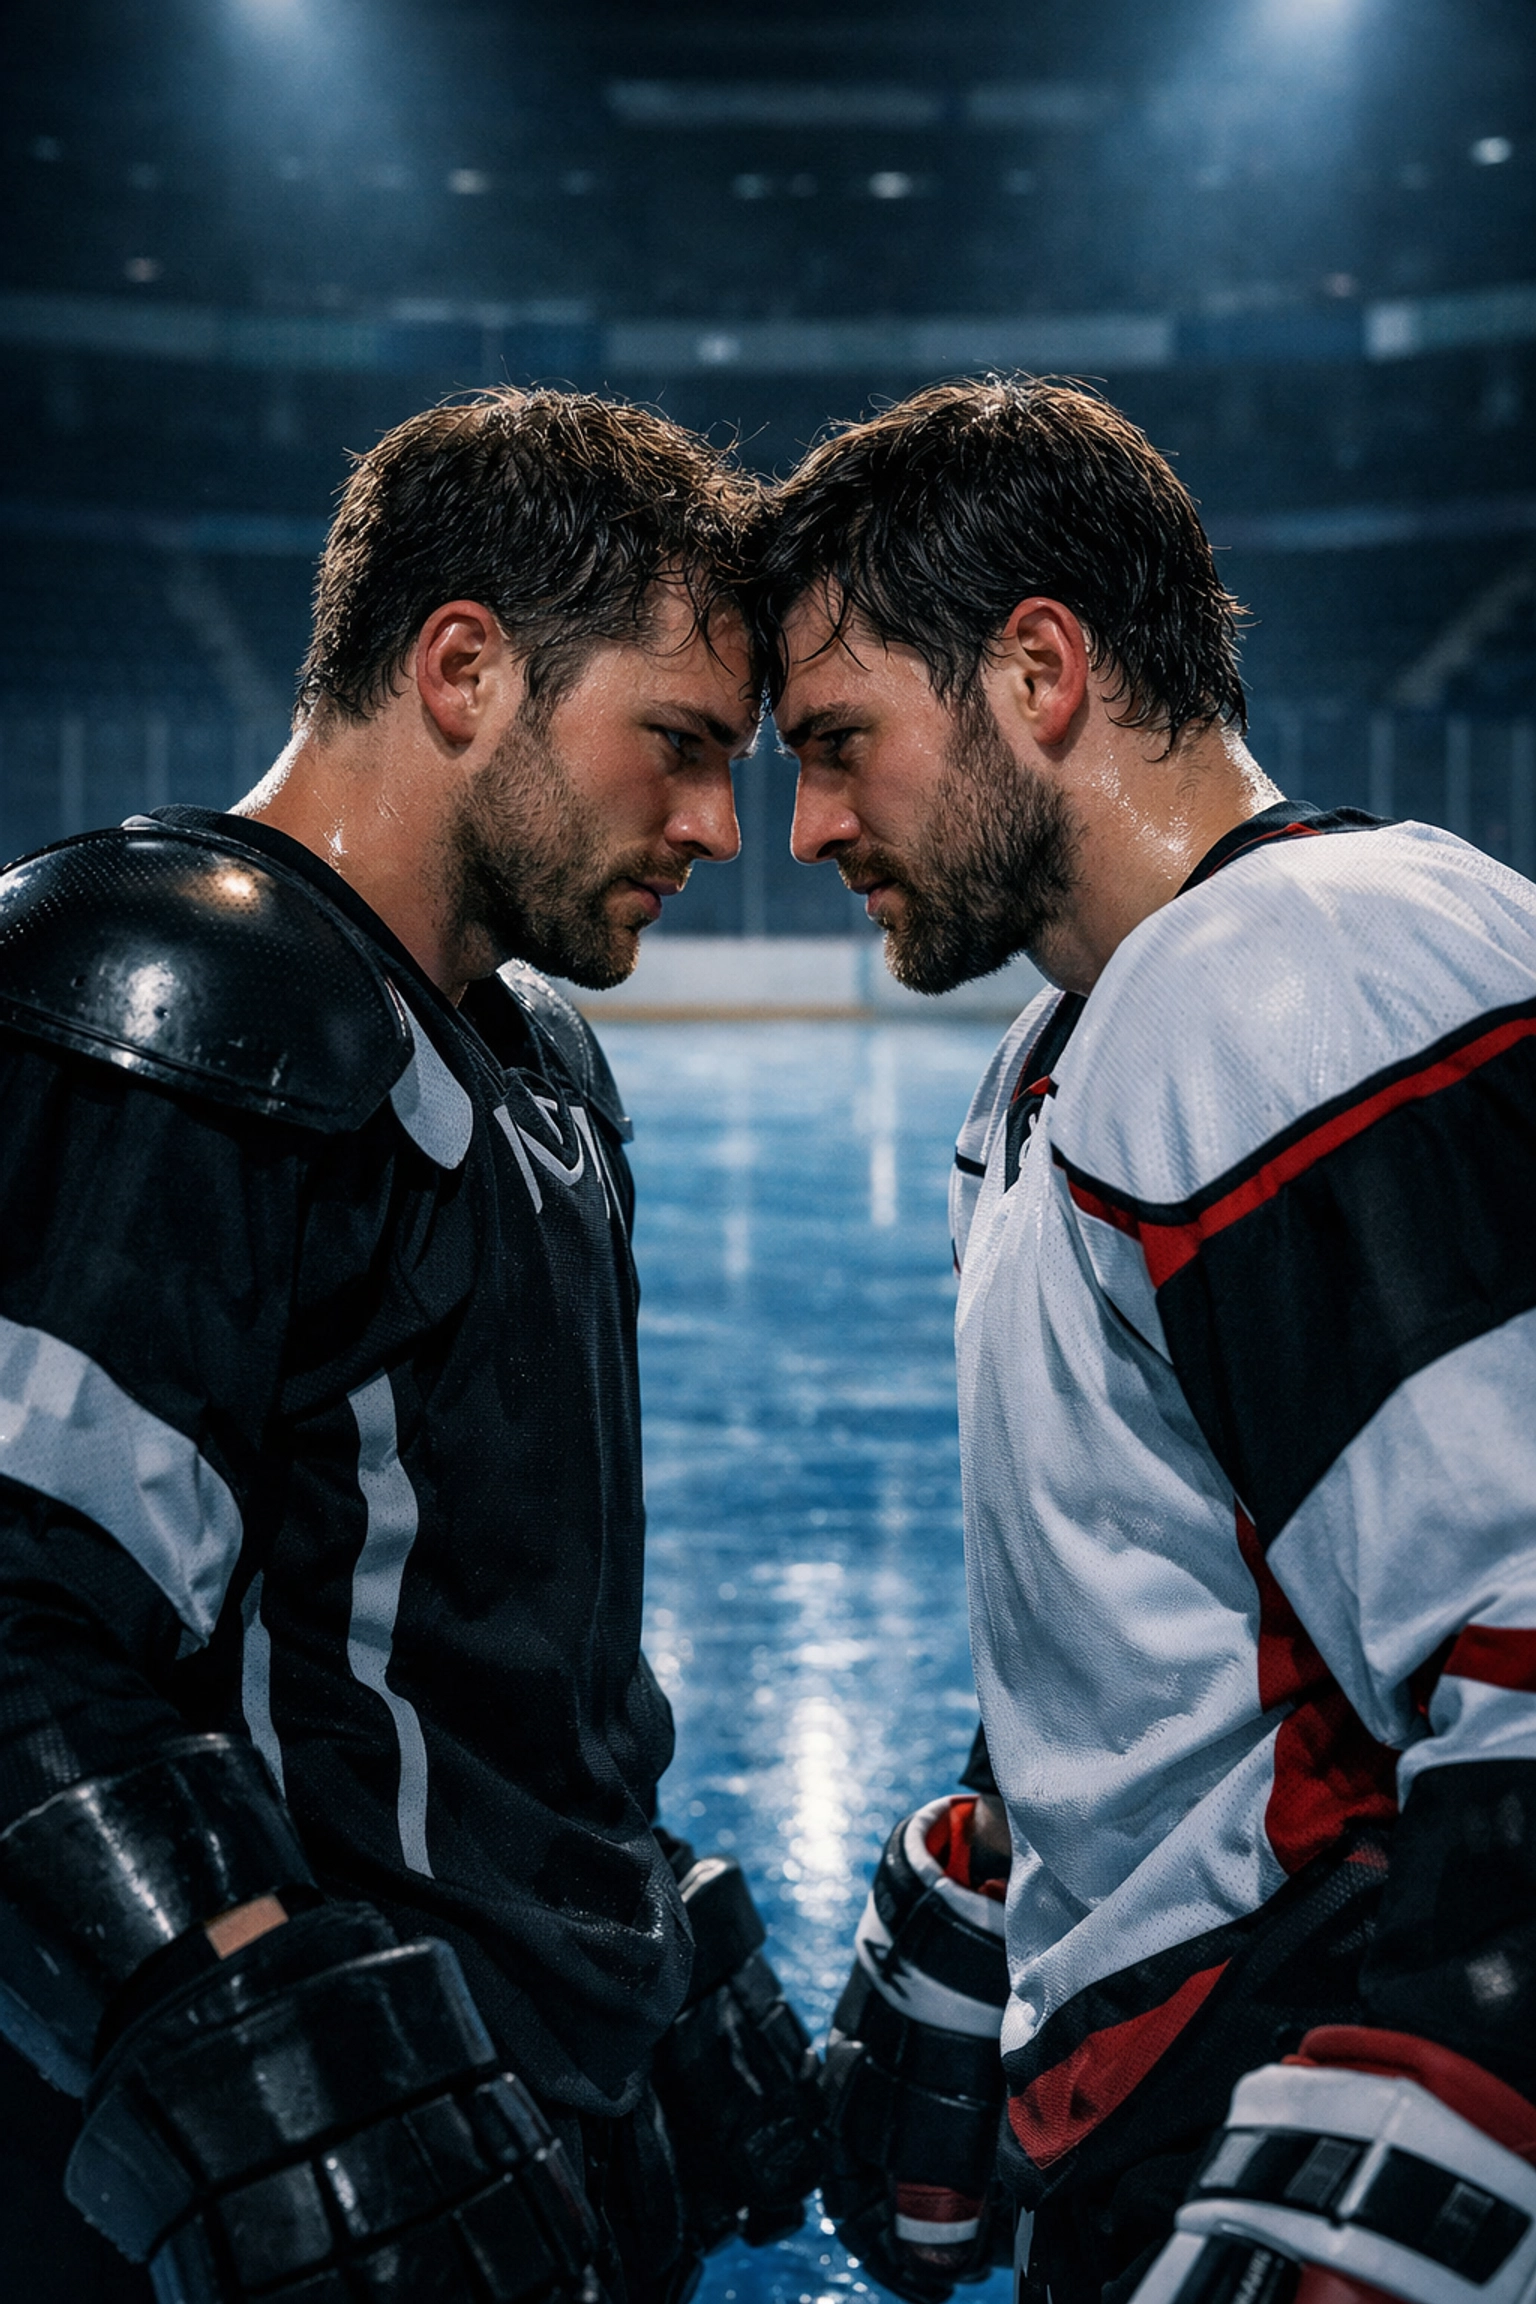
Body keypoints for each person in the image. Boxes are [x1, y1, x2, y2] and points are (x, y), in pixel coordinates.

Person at [0, 387, 819, 2304]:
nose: (720, 824)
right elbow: (21, 1629)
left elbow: (474, 1637)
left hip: (516, 2137)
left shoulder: (529, 1054)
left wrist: (644, 1933)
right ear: (464, 669)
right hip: (284, 2209)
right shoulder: (167, 989)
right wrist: (286, 2086)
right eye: (680, 748)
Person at [751, 376, 1536, 2304]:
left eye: (841, 744)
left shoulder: (1295, 969)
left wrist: (1402, 2184)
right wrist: (1013, 1850)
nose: (802, 828)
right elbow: (1201, 1566)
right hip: (1186, 2081)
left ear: (1038, 671)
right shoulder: (1075, 1047)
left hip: (1293, 2061)